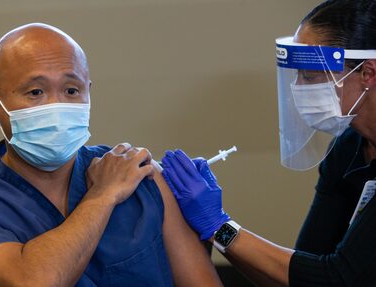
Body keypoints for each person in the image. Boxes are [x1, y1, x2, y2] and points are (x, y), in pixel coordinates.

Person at [0, 23, 223, 287]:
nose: (57, 106)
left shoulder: (138, 176)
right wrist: (102, 196)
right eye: (35, 92)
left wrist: (221, 229)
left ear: (88, 93)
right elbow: (31, 281)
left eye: (71, 90)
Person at [161, 1, 376, 286]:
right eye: (297, 75)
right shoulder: (348, 148)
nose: (299, 88)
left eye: (310, 75)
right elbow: (298, 273)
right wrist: (218, 227)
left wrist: (219, 226)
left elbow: (337, 279)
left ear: (367, 73)